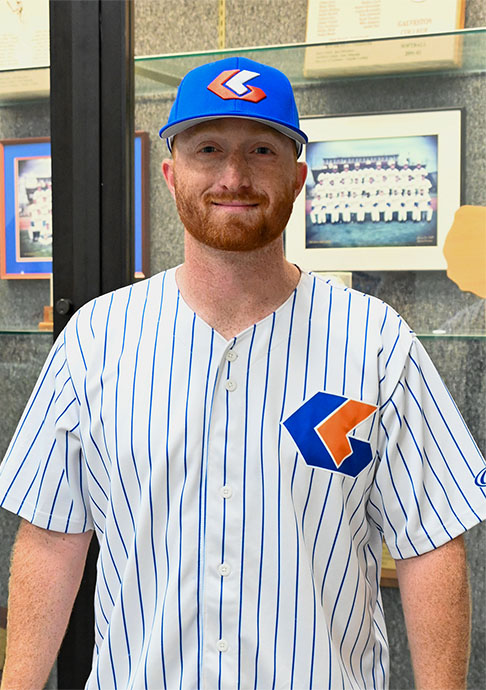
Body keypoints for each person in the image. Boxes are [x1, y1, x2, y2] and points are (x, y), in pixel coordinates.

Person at [0, 56, 485, 690]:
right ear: (172, 175)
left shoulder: (375, 342)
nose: (234, 176)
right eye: (209, 149)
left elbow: (431, 547)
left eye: (261, 149)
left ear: (298, 176)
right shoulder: (95, 339)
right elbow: (50, 542)